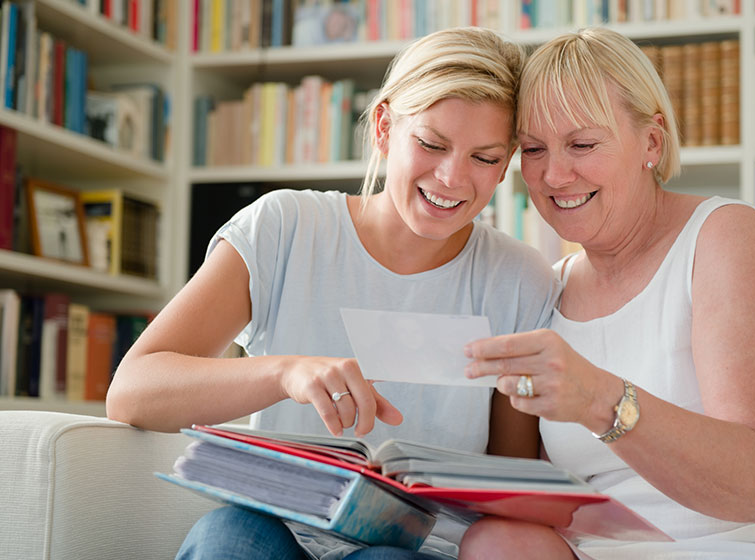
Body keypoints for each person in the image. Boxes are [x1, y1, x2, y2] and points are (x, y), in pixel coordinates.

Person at [106, 27, 560, 560]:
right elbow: (132, 392)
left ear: (507, 161)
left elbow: (510, 484)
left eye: (483, 158)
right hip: (275, 529)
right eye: (432, 144)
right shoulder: (284, 227)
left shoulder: (520, 281)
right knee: (228, 536)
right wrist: (285, 372)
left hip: (414, 548)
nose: (452, 178)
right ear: (386, 127)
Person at [458, 27, 755, 559]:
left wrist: (600, 398)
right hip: (598, 550)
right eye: (533, 149)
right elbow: (531, 492)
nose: (553, 173)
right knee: (494, 541)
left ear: (652, 142)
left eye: (583, 144)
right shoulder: (549, 286)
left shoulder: (725, 238)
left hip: (748, 546)